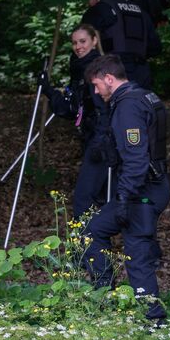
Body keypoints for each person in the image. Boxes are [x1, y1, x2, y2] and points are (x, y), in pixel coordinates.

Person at [82, 54, 170, 322]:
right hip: (150, 186)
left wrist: (123, 197)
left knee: (137, 252)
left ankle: (153, 320)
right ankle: (104, 297)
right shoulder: (144, 96)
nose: (96, 91)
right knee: (95, 230)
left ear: (109, 79)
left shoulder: (128, 106)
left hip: (142, 191)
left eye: (97, 84)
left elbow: (136, 159)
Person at [38, 24, 115, 219]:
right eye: (74, 43)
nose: (78, 47)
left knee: (85, 197)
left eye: (83, 41)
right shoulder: (81, 68)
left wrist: (101, 142)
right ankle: (99, 235)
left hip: (103, 141)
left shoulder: (97, 69)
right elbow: (71, 108)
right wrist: (48, 90)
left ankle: (85, 237)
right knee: (100, 195)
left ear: (94, 41)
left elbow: (105, 110)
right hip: (92, 137)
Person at [81, 0, 162, 90]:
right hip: (142, 73)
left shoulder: (97, 10)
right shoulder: (141, 11)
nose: (88, 3)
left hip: (112, 74)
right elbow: (155, 47)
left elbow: (85, 48)